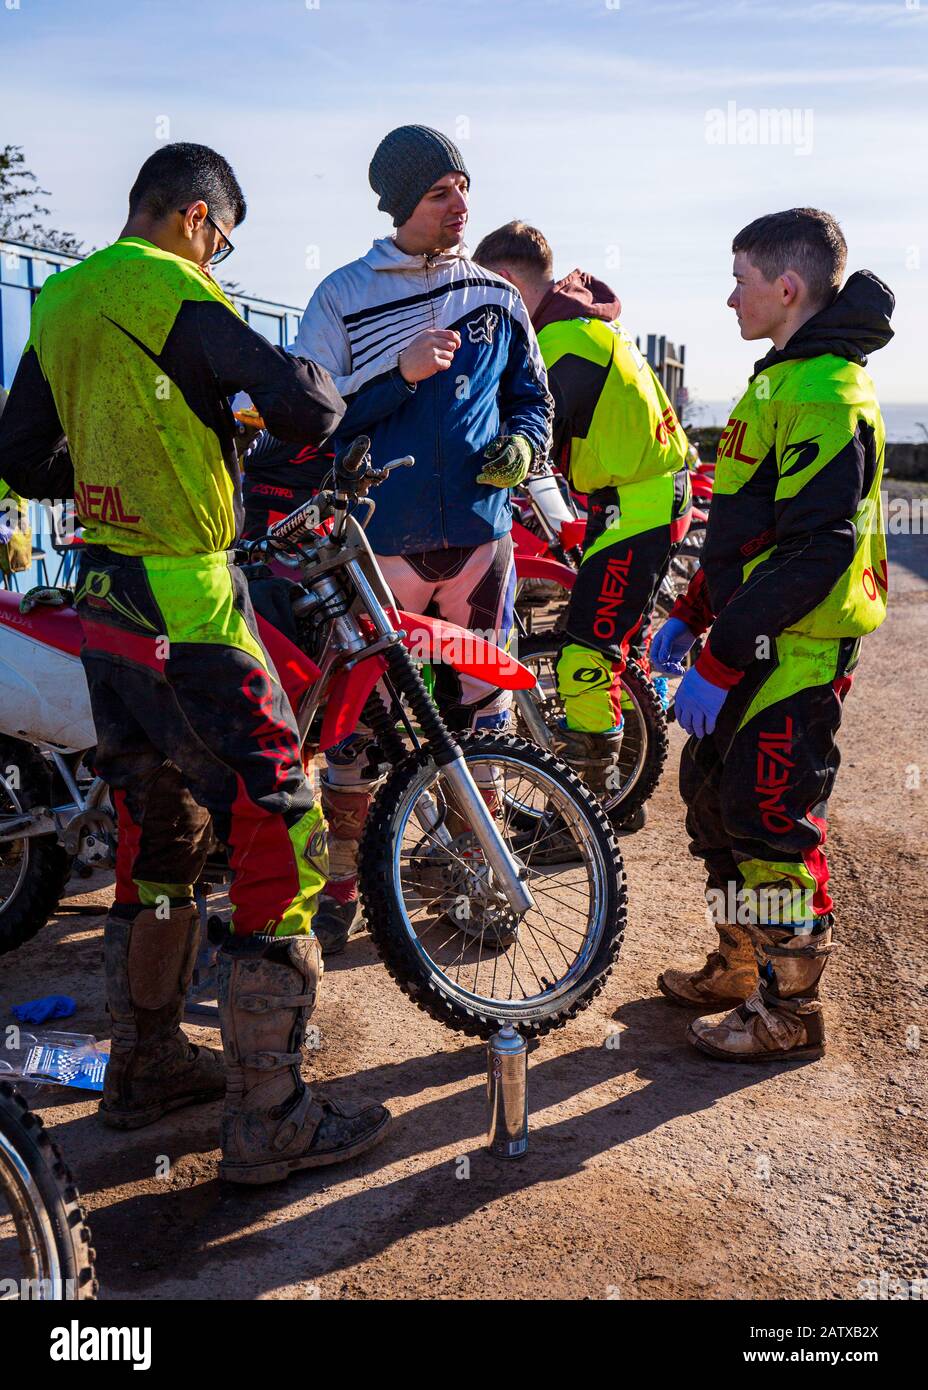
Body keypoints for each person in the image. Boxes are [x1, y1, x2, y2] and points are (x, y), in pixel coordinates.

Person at [0, 142, 391, 1182]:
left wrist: (124, 460)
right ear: (199, 220)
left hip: (102, 597)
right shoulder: (171, 282)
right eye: (223, 241)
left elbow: (21, 454)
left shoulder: (65, 299)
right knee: (284, 818)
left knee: (159, 825)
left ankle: (144, 1066)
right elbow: (305, 408)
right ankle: (270, 1115)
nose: (218, 260)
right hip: (189, 597)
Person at [293, 126, 552, 954]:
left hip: (480, 546)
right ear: (403, 203)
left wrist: (525, 443)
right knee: (354, 730)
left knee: (482, 715)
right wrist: (394, 378)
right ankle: (339, 888)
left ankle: (476, 873)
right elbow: (307, 420)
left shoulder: (498, 296)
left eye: (465, 188)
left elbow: (532, 399)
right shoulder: (342, 295)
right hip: (376, 555)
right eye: (442, 192)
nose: (461, 206)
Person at [651, 208, 893, 1061]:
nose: (729, 298)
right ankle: (741, 964)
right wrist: (692, 613)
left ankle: (789, 1012)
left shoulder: (828, 390)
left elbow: (816, 553)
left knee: (771, 820)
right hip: (750, 641)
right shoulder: (779, 379)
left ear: (786, 288)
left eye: (741, 281)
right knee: (714, 802)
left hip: (794, 652)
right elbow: (751, 529)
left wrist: (718, 655)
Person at [473, 222, 691, 798]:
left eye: (485, 291)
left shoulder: (561, 343)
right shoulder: (584, 328)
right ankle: (622, 784)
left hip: (637, 503)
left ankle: (593, 805)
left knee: (586, 652)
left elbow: (518, 433)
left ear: (505, 281)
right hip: (637, 498)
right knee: (603, 645)